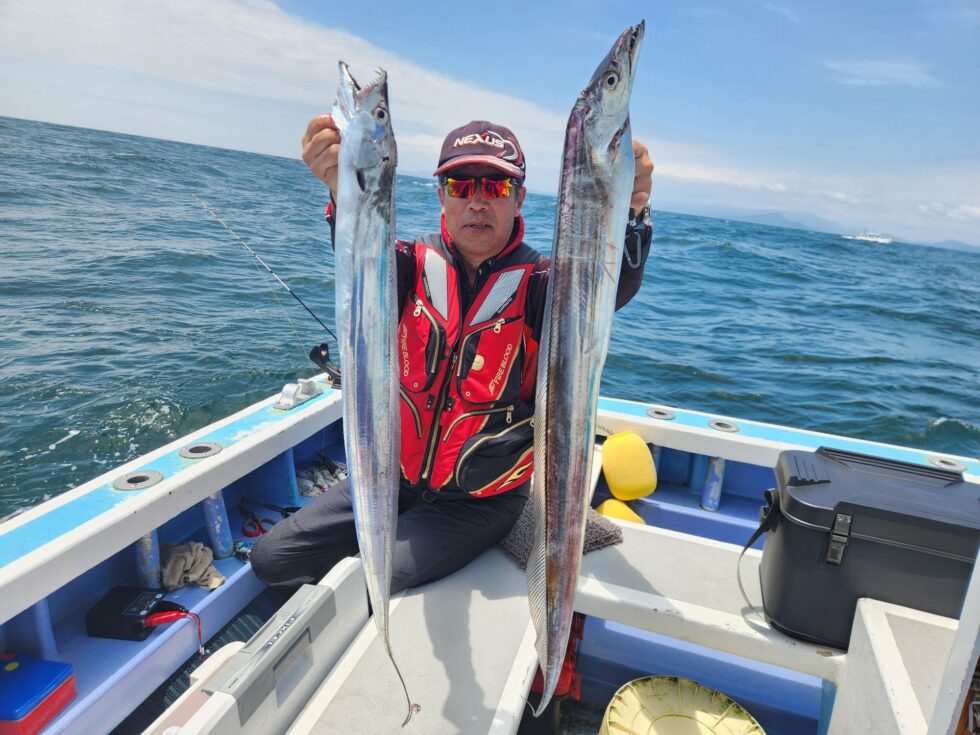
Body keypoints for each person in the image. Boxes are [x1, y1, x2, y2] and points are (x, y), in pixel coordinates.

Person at [249, 118, 654, 594]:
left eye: (497, 185)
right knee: (269, 560)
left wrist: (627, 214)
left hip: (478, 500)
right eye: (461, 185)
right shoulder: (405, 263)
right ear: (442, 195)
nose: (477, 201)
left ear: (518, 198)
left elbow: (603, 292)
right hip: (390, 475)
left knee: (372, 578)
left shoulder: (547, 286)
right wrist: (346, 191)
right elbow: (359, 257)